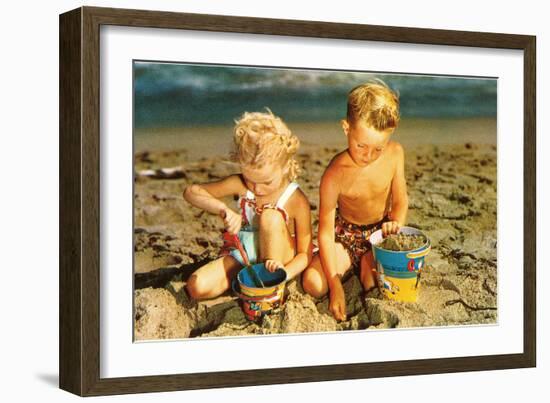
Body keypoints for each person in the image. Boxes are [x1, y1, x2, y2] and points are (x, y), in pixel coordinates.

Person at [302, 80, 408, 321]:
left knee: (375, 282)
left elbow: (401, 201)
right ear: (346, 128)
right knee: (313, 284)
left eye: (377, 148)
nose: (368, 156)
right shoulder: (334, 175)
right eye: (361, 145)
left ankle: (364, 264)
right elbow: (326, 234)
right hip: (344, 236)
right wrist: (335, 285)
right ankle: (351, 266)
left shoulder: (395, 154)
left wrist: (396, 224)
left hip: (380, 233)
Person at [183, 110, 313, 300]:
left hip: (280, 258)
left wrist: (285, 273)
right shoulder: (241, 185)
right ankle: (247, 281)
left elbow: (305, 254)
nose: (257, 189)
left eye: (266, 182)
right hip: (247, 250)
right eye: (250, 179)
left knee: (269, 216)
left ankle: (270, 287)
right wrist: (223, 209)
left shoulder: (295, 199)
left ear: (285, 166)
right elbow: (191, 192)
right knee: (196, 287)